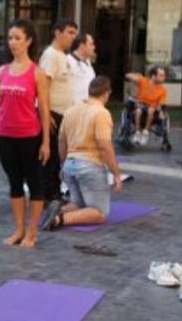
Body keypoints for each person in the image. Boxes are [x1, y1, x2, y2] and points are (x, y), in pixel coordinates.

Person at [0, 20, 50, 248]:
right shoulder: (1, 72)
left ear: (28, 41)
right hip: (5, 136)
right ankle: (19, 230)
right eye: (10, 38)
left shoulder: (37, 73)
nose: (13, 43)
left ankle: (32, 232)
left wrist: (46, 142)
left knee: (34, 183)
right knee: (14, 183)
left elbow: (44, 109)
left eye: (18, 38)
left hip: (30, 137)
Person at [42, 76, 122, 230]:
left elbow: (61, 141)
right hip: (89, 166)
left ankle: (58, 209)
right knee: (100, 213)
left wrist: (62, 164)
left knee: (79, 204)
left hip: (69, 165)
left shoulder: (71, 111)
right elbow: (105, 146)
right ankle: (59, 219)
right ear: (107, 93)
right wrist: (116, 174)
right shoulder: (102, 113)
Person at [38, 18, 78, 204]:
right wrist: (45, 115)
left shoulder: (62, 55)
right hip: (52, 113)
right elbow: (42, 87)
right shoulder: (51, 55)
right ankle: (49, 195)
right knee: (51, 156)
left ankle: (54, 192)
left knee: (58, 155)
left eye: (74, 34)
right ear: (57, 32)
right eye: (70, 33)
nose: (73, 38)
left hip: (63, 114)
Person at [125, 66, 168, 145]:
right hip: (140, 106)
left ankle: (145, 132)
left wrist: (161, 112)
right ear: (153, 76)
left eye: (164, 75)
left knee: (151, 109)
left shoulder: (162, 90)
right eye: (161, 75)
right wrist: (137, 76)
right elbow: (127, 75)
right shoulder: (144, 81)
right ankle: (137, 132)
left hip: (152, 111)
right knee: (138, 110)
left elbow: (162, 104)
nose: (164, 77)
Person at [67, 32, 97, 106]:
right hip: (73, 110)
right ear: (82, 45)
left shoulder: (88, 62)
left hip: (88, 109)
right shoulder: (68, 61)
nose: (94, 47)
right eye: (91, 44)